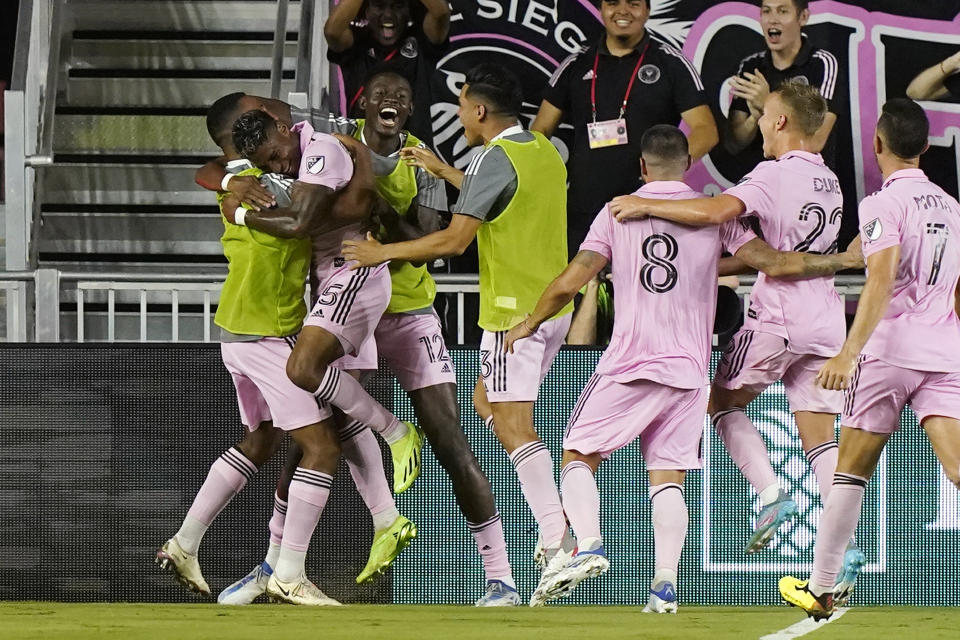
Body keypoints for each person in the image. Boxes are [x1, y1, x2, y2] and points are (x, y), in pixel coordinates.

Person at [505, 125, 864, 612]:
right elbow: (773, 262)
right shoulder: (713, 214)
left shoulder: (619, 211)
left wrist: (529, 322)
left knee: (577, 455)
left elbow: (573, 280)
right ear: (688, 165)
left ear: (642, 166)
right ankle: (663, 588)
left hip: (631, 360)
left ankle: (587, 545)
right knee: (667, 475)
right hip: (690, 369)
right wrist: (840, 261)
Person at [609, 82, 865, 583]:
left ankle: (770, 495)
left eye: (765, 115)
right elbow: (761, 248)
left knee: (721, 404)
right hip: (825, 318)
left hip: (779, 315)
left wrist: (648, 207)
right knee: (818, 439)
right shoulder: (829, 180)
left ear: (782, 122)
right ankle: (846, 547)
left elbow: (715, 212)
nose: (761, 126)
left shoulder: (773, 174)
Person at [341, 63, 573, 606]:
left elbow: (453, 242)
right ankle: (547, 541)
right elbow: (501, 194)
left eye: (465, 104)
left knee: (513, 426)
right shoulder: (539, 149)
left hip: (513, 314)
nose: (461, 112)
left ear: (480, 111)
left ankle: (558, 538)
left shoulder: (493, 157)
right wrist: (444, 173)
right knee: (487, 404)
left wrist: (382, 252)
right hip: (553, 307)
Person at [195, 96, 418, 605]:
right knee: (321, 428)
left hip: (350, 278)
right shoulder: (267, 162)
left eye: (274, 157)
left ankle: (397, 435)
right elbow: (206, 170)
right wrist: (232, 183)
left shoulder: (327, 145)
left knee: (307, 389)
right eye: (265, 164)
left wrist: (244, 213)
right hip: (320, 293)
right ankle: (321, 547)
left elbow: (326, 215)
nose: (276, 167)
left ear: (280, 125)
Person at [779, 99, 960, 620]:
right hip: (944, 351)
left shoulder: (882, 203)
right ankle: (822, 587)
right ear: (926, 147)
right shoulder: (949, 205)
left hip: (889, 354)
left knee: (850, 472)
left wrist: (847, 351)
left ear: (877, 145)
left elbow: (878, 279)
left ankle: (821, 588)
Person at [531, 0, 718, 260]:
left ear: (647, 11)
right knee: (584, 296)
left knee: (644, 294)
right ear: (601, 9)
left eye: (633, 3)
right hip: (584, 210)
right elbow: (539, 133)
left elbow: (706, 130)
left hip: (649, 208)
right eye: (613, 2)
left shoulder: (670, 62)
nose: (623, 10)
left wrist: (666, 175)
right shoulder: (576, 63)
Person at [725, 0, 844, 172]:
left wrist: (767, 104)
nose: (773, 20)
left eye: (782, 11)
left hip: (807, 180)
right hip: (761, 182)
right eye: (767, 11)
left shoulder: (822, 64)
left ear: (803, 17)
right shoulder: (751, 66)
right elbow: (734, 144)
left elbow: (816, 141)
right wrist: (756, 116)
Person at [324, 0, 450, 145]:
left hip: (413, 157)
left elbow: (441, 14)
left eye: (398, 5)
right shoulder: (357, 43)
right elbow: (332, 32)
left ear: (409, 10)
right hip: (363, 154)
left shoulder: (421, 40)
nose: (388, 14)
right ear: (366, 10)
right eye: (378, 5)